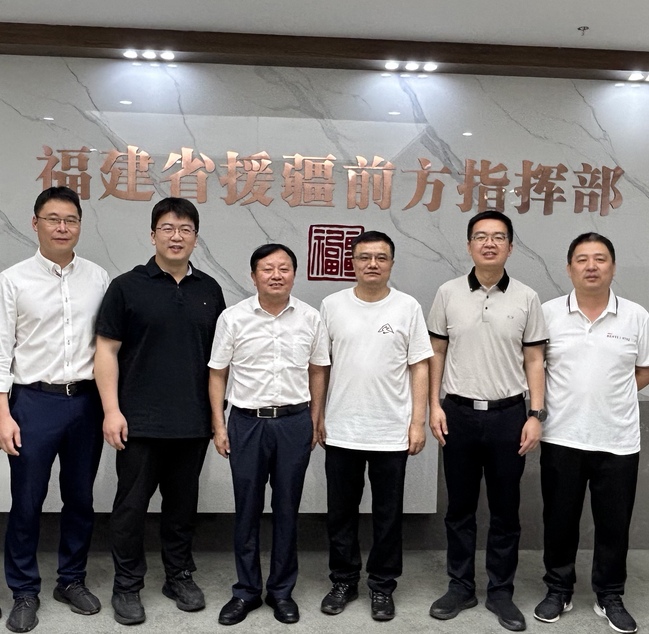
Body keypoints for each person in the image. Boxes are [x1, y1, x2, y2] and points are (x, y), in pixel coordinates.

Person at [94, 197, 226, 626]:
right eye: (167, 228)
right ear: (152, 235)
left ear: (196, 238)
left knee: (182, 508)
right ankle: (127, 584)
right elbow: (106, 351)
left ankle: (178, 575)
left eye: (185, 229)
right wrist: (111, 411)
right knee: (130, 508)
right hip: (138, 422)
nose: (176, 236)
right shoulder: (126, 286)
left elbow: (219, 362)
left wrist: (216, 417)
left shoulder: (209, 290)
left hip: (192, 422)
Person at [427, 210, 547, 632]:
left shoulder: (527, 297)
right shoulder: (448, 292)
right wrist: (434, 405)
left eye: (498, 237)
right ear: (469, 246)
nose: (489, 243)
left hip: (508, 416)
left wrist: (535, 413)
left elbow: (535, 359)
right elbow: (436, 352)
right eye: (481, 236)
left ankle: (500, 592)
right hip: (458, 413)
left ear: (510, 247)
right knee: (459, 508)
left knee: (505, 510)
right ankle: (460, 586)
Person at [0, 187, 109, 633]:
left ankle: (71, 579)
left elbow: (108, 347)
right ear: (36, 223)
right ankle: (24, 590)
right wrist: (3, 414)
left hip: (85, 401)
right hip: (33, 402)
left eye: (71, 220)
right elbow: (1, 350)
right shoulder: (13, 280)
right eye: (53, 219)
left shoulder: (98, 278)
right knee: (26, 501)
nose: (62, 227)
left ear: (80, 225)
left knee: (80, 498)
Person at [533, 233, 649, 634]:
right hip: (561, 436)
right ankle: (558, 589)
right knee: (559, 521)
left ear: (613, 267)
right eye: (582, 259)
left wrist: (611, 395)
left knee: (614, 524)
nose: (591, 266)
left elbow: (644, 369)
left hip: (617, 439)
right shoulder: (548, 314)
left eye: (600, 259)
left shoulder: (636, 316)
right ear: (569, 269)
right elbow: (535, 367)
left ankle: (609, 595)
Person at [209, 243, 329, 626]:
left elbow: (318, 370)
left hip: (294, 422)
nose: (276, 275)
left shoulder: (310, 317)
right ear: (253, 275)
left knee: (287, 509)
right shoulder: (233, 318)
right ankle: (246, 591)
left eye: (284, 268)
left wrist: (315, 417)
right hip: (246, 422)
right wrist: (219, 424)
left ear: (294, 274)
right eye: (267, 268)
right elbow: (217, 373)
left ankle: (281, 591)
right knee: (246, 508)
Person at [318, 230, 432, 622]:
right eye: (364, 257)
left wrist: (417, 422)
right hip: (342, 428)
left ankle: (382, 586)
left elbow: (420, 365)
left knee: (388, 515)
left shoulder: (407, 307)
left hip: (391, 431)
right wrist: (318, 415)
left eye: (381, 258)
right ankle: (344, 580)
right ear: (351, 262)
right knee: (340, 512)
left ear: (391, 264)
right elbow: (321, 366)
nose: (372, 264)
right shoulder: (332, 305)